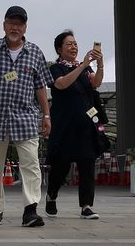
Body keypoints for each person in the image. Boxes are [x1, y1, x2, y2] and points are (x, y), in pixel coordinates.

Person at [0, 5, 51, 228]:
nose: (15, 27)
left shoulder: (35, 52)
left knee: (31, 164)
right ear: (3, 25)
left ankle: (30, 210)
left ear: (25, 27)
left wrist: (47, 115)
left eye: (19, 24)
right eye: (11, 23)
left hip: (25, 117)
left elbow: (40, 86)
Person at [44, 30, 104, 220]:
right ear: (59, 49)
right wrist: (83, 65)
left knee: (87, 163)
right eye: (69, 44)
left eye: (75, 43)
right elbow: (62, 84)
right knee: (60, 166)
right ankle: (51, 196)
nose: (74, 47)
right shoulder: (55, 68)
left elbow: (96, 83)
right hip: (64, 127)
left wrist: (99, 64)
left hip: (86, 126)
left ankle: (86, 206)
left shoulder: (85, 68)